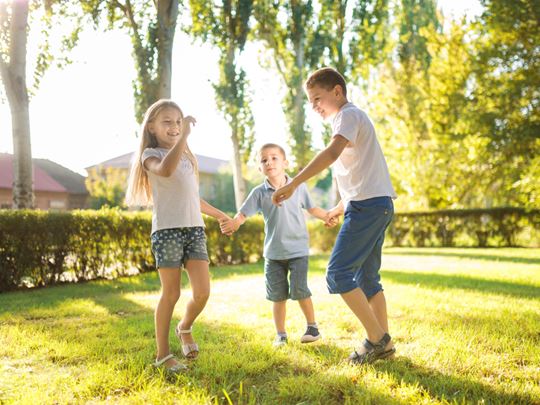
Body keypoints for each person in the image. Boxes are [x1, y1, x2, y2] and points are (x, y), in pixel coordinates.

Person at [272, 67, 397, 364]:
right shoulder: (348, 119)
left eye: (317, 98)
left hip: (369, 207)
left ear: (337, 92)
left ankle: (377, 340)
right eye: (311, 101)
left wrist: (293, 182)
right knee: (368, 279)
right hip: (372, 204)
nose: (314, 105)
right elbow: (359, 175)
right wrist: (339, 208)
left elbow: (331, 154)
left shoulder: (348, 116)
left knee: (338, 273)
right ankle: (386, 346)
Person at [126, 99, 231, 373]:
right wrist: (184, 136)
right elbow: (166, 171)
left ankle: (184, 327)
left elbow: (193, 197)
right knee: (171, 293)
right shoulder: (151, 154)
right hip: (167, 232)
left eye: (177, 121)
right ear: (151, 127)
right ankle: (163, 355)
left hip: (194, 230)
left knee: (203, 292)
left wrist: (220, 215)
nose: (174, 126)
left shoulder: (186, 156)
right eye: (167, 122)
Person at [221, 143, 336, 347]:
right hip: (273, 254)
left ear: (285, 163)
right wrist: (234, 223)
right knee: (277, 296)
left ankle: (312, 327)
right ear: (260, 168)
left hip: (298, 250)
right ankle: (280, 335)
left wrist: (327, 216)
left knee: (300, 289)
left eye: (274, 158)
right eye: (264, 160)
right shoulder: (259, 193)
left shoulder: (298, 186)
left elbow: (312, 208)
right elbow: (243, 214)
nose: (269, 162)